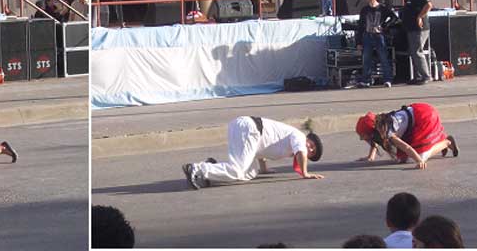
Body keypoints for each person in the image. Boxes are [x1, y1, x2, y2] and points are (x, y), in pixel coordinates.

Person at [182, 116, 324, 189]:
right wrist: (305, 174)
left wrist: (264, 169)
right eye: (311, 145)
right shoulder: (299, 137)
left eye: (312, 152)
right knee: (238, 170)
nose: (310, 149)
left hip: (246, 129)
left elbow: (262, 151)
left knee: (249, 173)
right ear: (308, 138)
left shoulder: (290, 147)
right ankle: (196, 168)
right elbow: (301, 152)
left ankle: (211, 169)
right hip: (249, 128)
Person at [355, 104, 457, 169]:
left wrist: (419, 161)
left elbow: (406, 147)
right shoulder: (380, 125)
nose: (361, 139)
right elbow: (375, 140)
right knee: (402, 158)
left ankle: (446, 142)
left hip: (424, 116)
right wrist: (370, 157)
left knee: (419, 155)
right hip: (416, 113)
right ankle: (439, 144)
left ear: (373, 132)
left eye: (363, 136)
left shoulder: (388, 132)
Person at [357, 0, 398, 88]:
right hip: (367, 35)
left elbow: (394, 17)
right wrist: (358, 41)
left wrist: (384, 26)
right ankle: (366, 80)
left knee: (383, 57)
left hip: (379, 35)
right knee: (366, 58)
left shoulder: (382, 8)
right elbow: (360, 25)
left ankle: (387, 79)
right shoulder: (364, 9)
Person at [401, 0, 433, 85]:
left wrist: (420, 16)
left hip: (418, 29)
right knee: (413, 52)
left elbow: (428, 5)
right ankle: (418, 76)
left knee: (417, 51)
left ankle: (426, 76)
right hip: (411, 28)